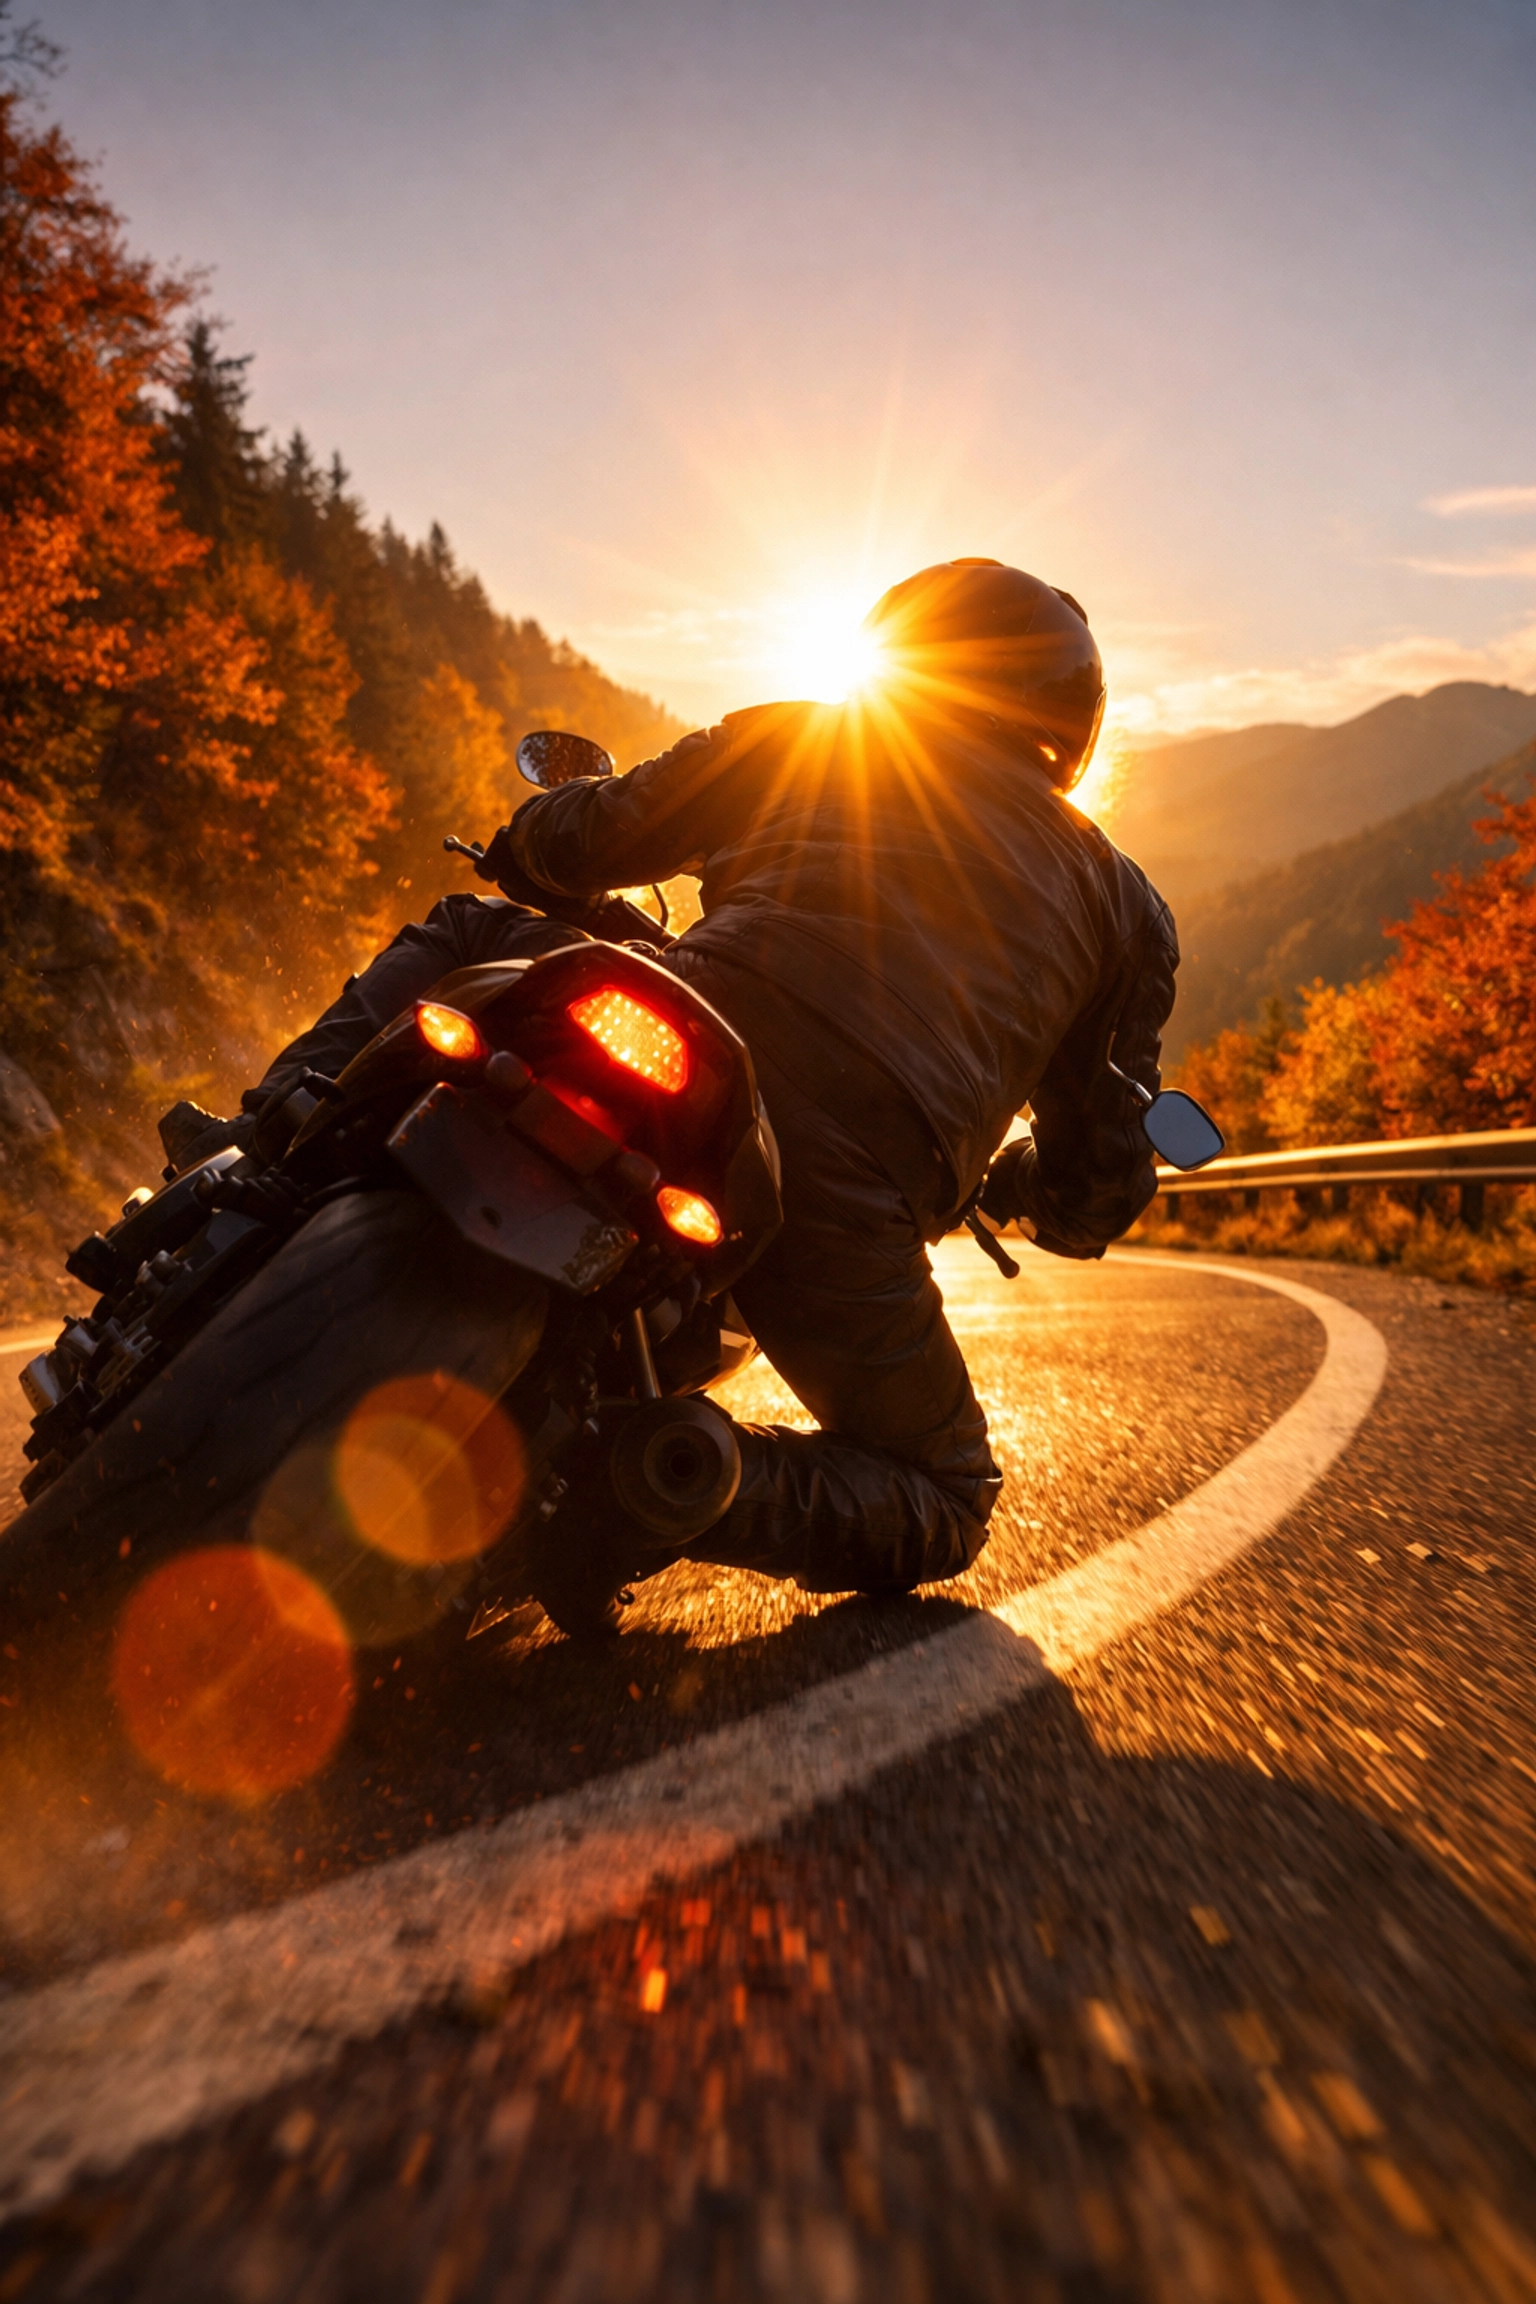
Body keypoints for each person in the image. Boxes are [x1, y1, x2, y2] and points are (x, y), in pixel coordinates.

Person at [237, 559, 1178, 1629]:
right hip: (849, 1187)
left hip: (696, 1031)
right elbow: (1103, 1159)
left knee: (466, 931)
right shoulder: (1125, 909)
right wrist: (1038, 1193)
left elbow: (589, 833)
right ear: (1071, 721)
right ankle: (675, 1474)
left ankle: (268, 1141)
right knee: (948, 1489)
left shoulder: (812, 735)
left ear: (904, 656)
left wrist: (524, 846)